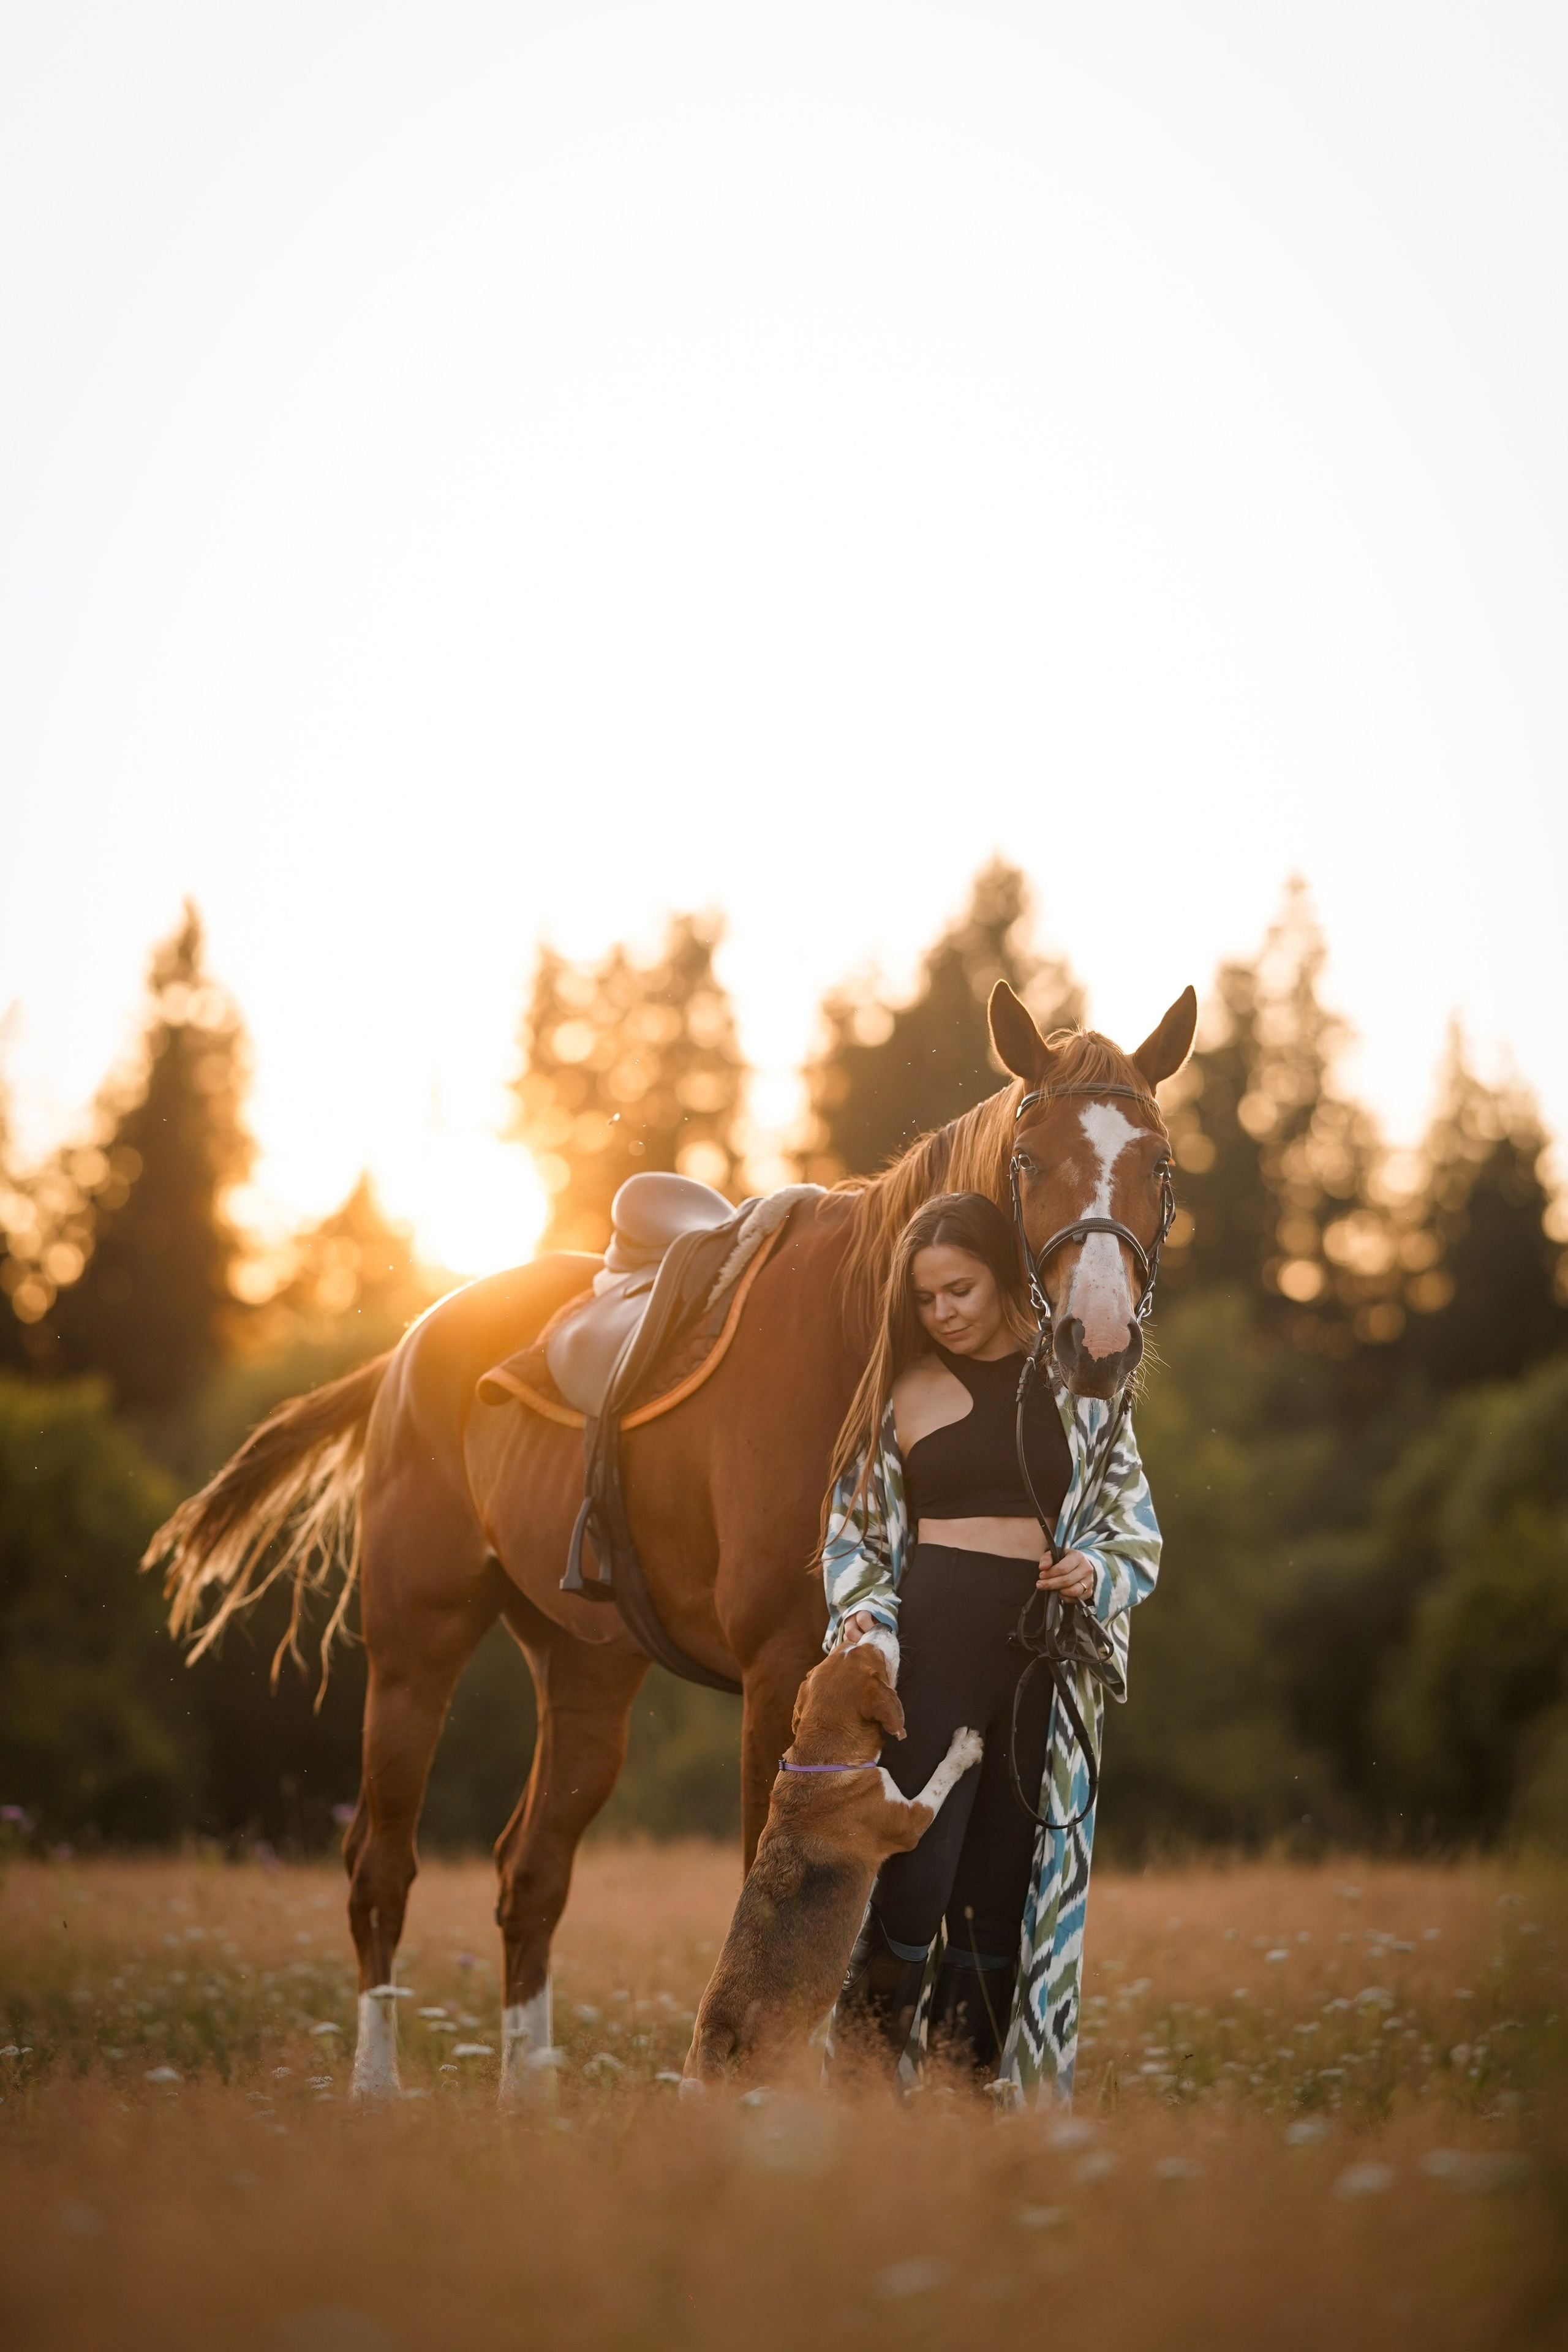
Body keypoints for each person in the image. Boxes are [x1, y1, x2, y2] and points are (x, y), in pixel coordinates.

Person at [821, 1189, 1161, 2100]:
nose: (943, 1313)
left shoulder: (1082, 1387)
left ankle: (962, 2110)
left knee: (1001, 1894)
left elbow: (1133, 1523)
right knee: (913, 1877)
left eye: (960, 1290)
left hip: (1043, 1655)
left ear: (1004, 1277)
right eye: (925, 1298)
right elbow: (852, 1536)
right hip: (935, 1644)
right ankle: (860, 2093)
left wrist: (1095, 1567)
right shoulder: (901, 1390)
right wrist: (866, 1619)